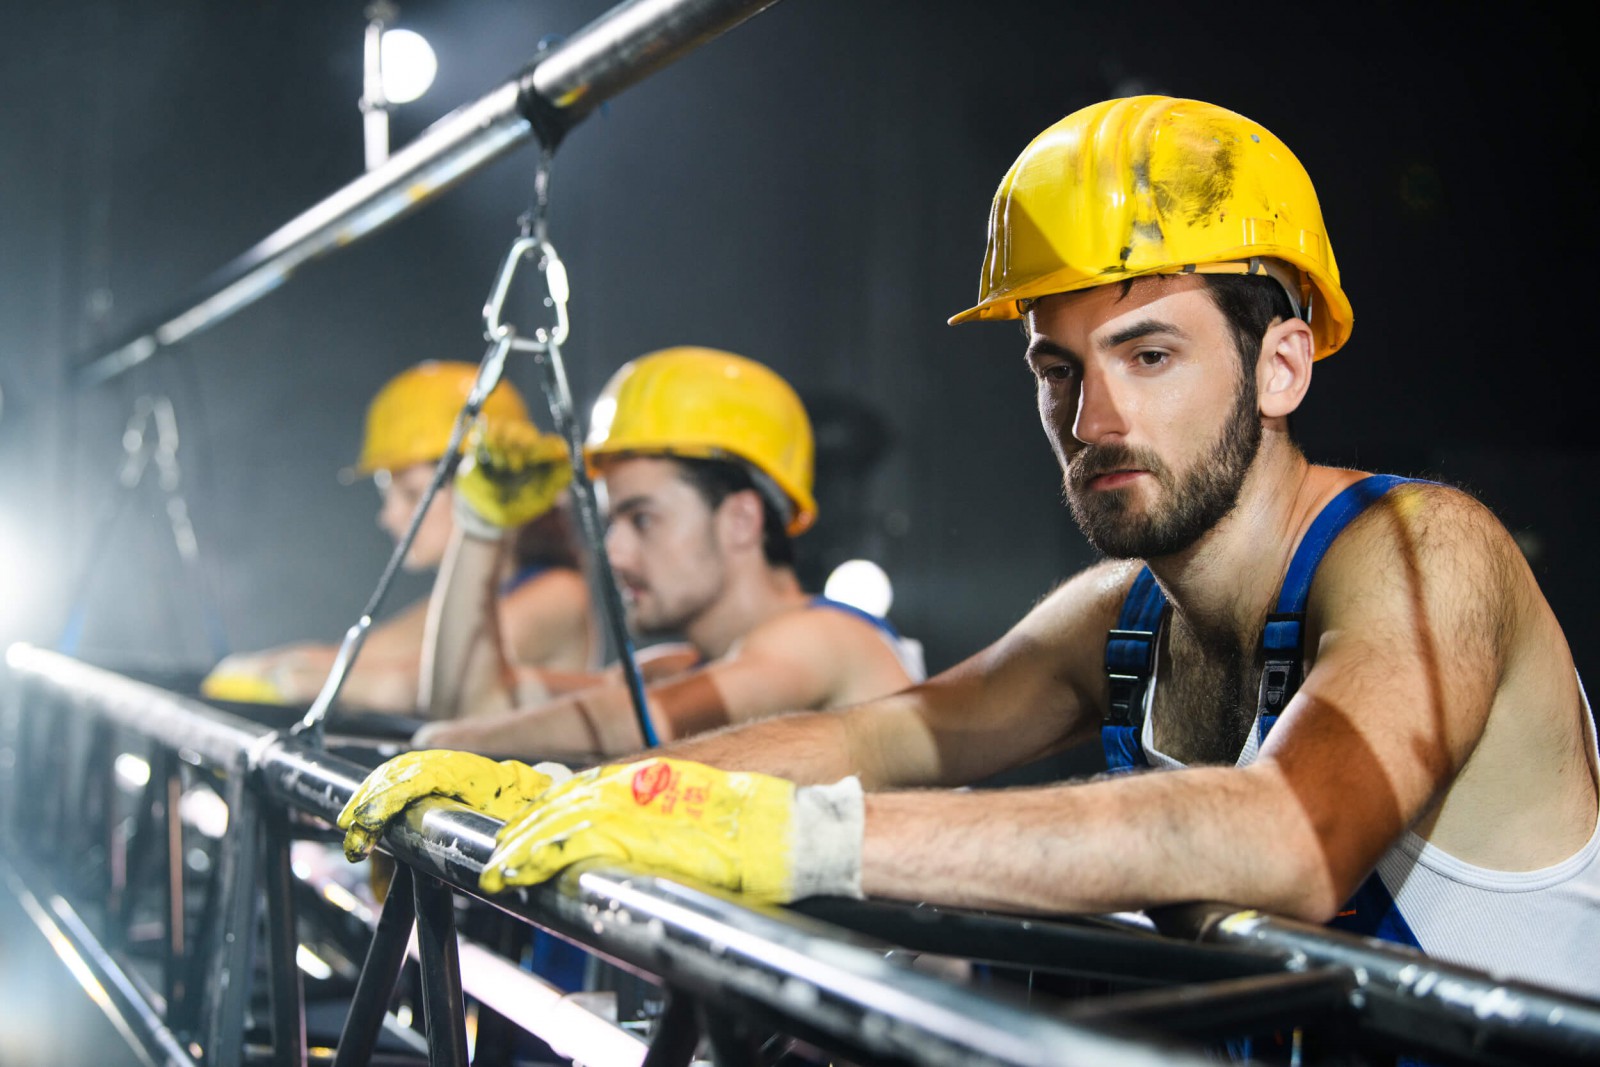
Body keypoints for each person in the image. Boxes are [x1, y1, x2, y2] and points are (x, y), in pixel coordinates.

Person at [338, 99, 1599, 997]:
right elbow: (894, 731)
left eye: (1149, 353)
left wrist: (800, 839)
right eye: (1058, 369)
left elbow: (1290, 838)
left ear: (1280, 362)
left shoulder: (1428, 553)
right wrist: (606, 790)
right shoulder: (1123, 610)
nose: (1094, 420)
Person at [409, 346, 926, 754]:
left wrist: (442, 748)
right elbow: (473, 706)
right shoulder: (682, 670)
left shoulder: (824, 638)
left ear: (742, 519)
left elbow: (638, 724)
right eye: (613, 522)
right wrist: (478, 529)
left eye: (642, 519)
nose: (613, 554)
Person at [201, 361, 594, 714]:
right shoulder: (462, 603)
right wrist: (268, 664)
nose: (388, 516)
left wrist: (286, 680)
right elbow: (354, 656)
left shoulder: (558, 594)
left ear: (486, 481)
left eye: (410, 493)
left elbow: (416, 685)